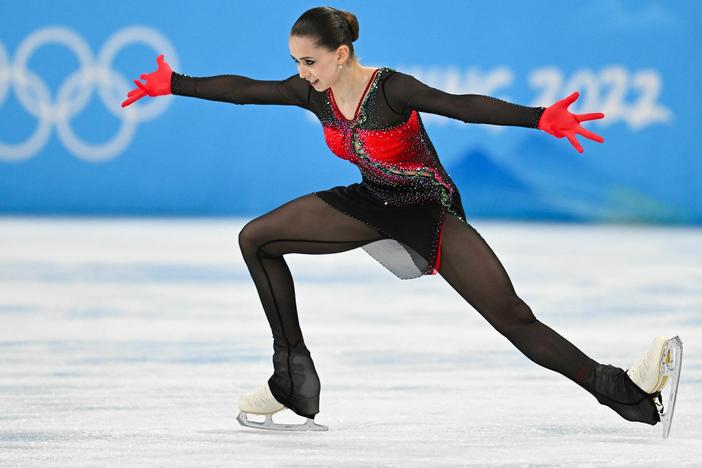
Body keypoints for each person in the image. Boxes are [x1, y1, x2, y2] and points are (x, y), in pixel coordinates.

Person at [121, 6, 681, 434]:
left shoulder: (390, 89)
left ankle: (625, 392)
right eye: (296, 62)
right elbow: (245, 91)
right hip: (368, 202)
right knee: (257, 239)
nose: (301, 72)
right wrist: (175, 84)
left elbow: (463, 105)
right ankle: (291, 376)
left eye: (309, 61)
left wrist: (540, 119)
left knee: (512, 316)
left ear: (341, 54)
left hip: (425, 209)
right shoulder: (312, 94)